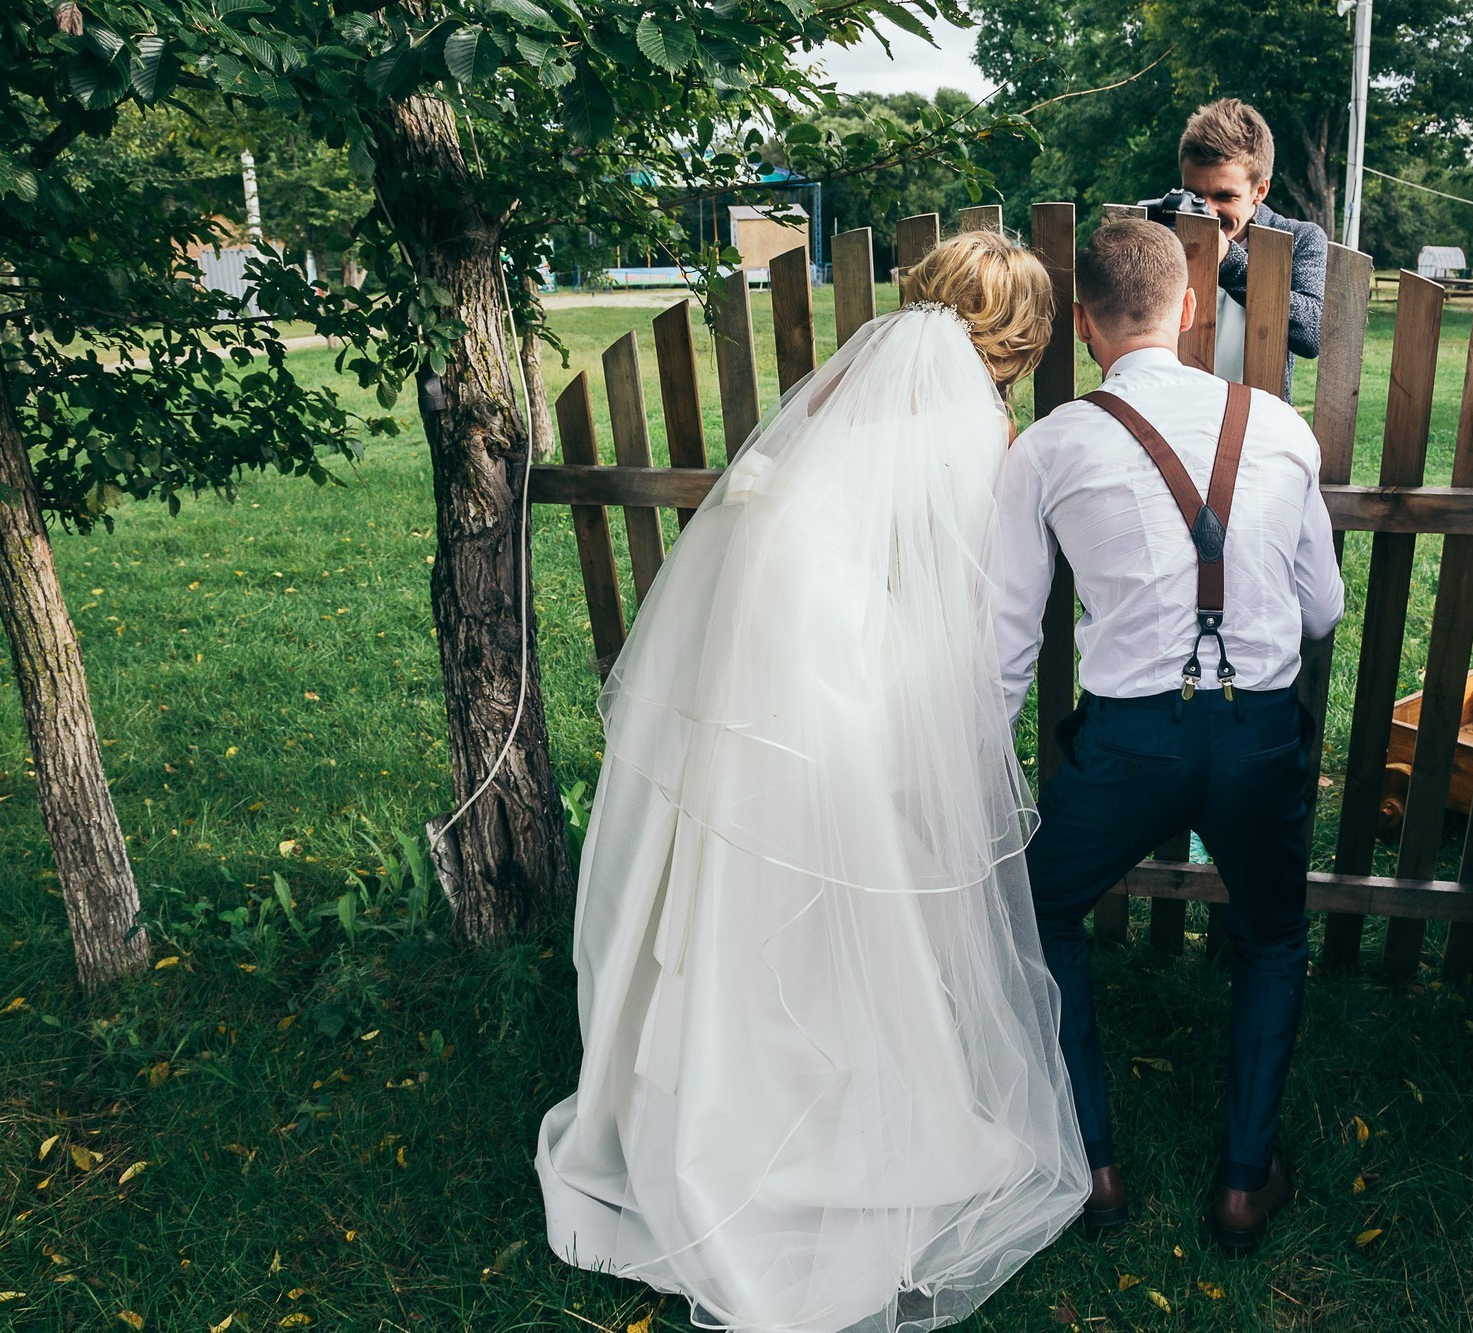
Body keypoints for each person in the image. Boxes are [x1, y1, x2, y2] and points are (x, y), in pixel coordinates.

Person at [534, 231, 1090, 1333]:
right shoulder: (977, 426)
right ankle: (825, 1107)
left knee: (742, 865)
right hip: (833, 657)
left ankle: (710, 1080)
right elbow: (959, 601)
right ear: (1019, 339)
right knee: (846, 870)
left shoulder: (844, 380)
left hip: (758, 656)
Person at [994, 219, 1345, 1256]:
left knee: (1039, 911)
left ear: (1087, 325)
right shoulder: (1279, 427)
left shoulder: (1049, 445)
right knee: (1274, 936)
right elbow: (1319, 609)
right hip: (1259, 737)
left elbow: (1009, 638)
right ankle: (1243, 1181)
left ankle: (1092, 1163)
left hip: (1127, 749)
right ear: (1189, 306)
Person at [1177, 99, 1328, 391]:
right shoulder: (1165, 232)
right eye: (1194, 195)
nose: (1208, 211)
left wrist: (1227, 260)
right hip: (1174, 414)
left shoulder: (1299, 238)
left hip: (1255, 420)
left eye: (1225, 196)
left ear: (1260, 190)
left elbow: (1312, 334)